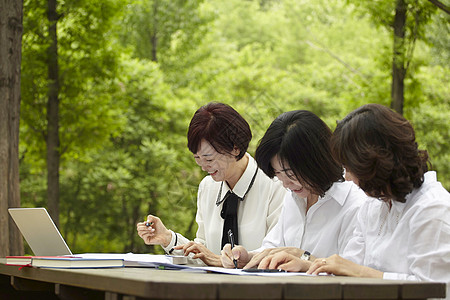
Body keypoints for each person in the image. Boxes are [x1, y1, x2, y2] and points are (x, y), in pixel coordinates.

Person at [265, 104, 450, 298]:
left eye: (350, 167)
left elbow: (435, 290)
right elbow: (348, 266)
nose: (346, 177)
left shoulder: (432, 210)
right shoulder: (374, 206)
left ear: (373, 163)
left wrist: (361, 272)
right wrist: (307, 265)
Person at [136, 102, 286, 266]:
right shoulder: (208, 187)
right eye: (197, 158)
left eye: (208, 158)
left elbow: (278, 254)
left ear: (235, 148)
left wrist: (217, 260)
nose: (202, 166)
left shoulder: (277, 186)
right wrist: (167, 239)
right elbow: (203, 253)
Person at [221, 110, 367, 270]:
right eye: (277, 173)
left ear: (316, 161)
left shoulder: (355, 203)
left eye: (290, 174)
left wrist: (303, 257)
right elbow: (274, 247)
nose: (285, 184)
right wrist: (248, 257)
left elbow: (354, 270)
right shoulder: (294, 197)